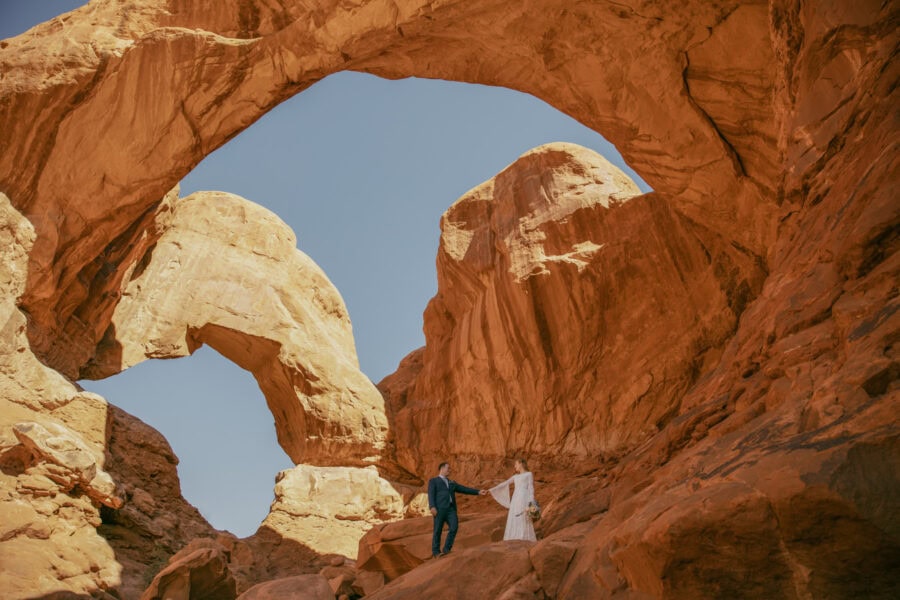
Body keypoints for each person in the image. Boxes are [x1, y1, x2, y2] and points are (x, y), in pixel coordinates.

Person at [427, 461, 487, 558]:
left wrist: (478, 492)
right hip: (439, 509)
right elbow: (431, 494)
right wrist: (432, 506)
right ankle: (436, 552)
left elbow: (464, 489)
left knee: (454, 527)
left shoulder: (452, 482)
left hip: (451, 509)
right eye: (448, 468)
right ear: (442, 469)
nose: (449, 470)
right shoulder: (433, 481)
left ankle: (446, 549)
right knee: (437, 530)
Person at [488, 457, 537, 541]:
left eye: (516, 464)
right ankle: (514, 537)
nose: (515, 466)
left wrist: (531, 502)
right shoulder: (515, 476)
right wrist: (491, 490)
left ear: (521, 463)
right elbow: (505, 483)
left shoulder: (528, 474)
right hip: (515, 498)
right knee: (515, 515)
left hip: (524, 497)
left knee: (524, 516)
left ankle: (524, 537)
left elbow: (531, 488)